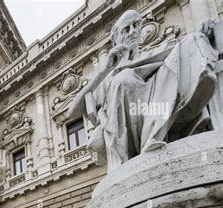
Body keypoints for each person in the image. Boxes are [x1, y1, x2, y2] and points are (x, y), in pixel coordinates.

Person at [69, 10, 220, 172]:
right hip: (128, 128)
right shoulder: (110, 76)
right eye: (126, 29)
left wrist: (204, 33)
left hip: (167, 109)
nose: (133, 31)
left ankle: (157, 131)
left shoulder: (154, 54)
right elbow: (73, 112)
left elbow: (183, 55)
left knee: (193, 40)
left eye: (136, 26)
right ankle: (151, 134)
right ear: (115, 39)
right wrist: (104, 71)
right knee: (124, 79)